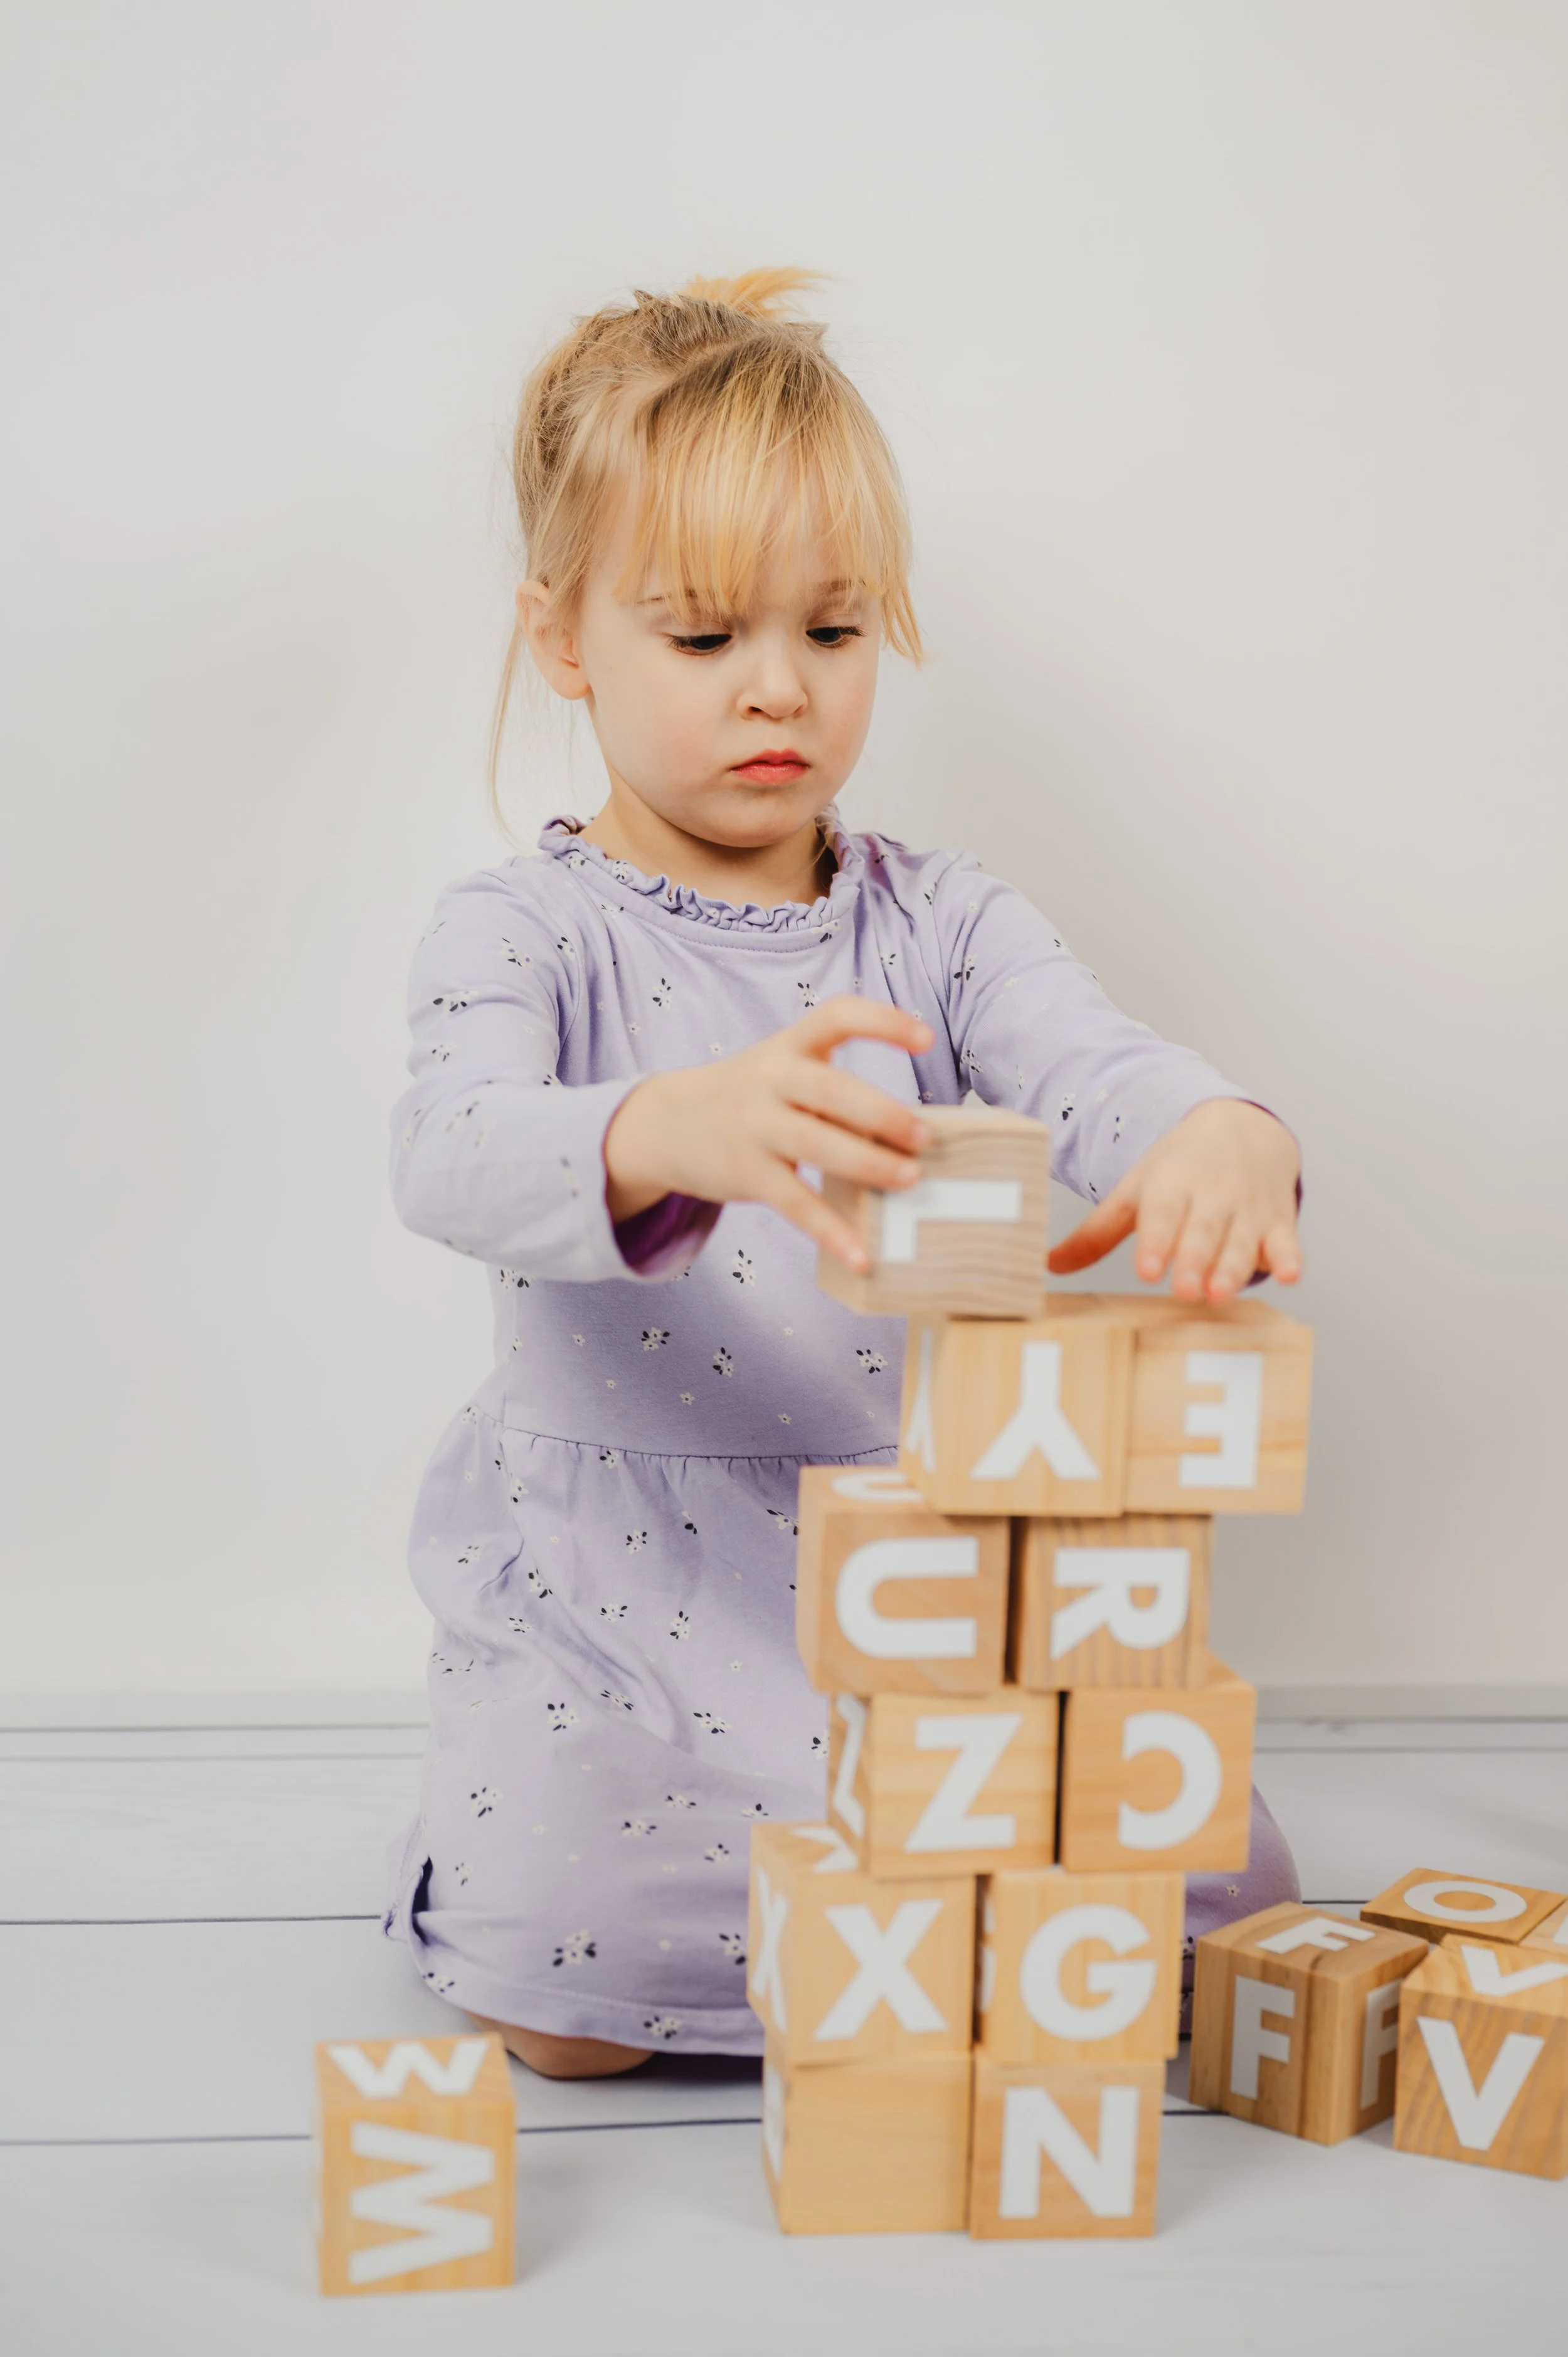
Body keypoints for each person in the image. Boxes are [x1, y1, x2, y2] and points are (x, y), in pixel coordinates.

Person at [384, 270, 1303, 2079]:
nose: (780, 691)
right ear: (563, 637)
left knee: (1212, 1911)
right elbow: (446, 1148)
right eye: (704, 634)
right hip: (625, 1591)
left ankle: (931, 1891)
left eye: (833, 627)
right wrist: (669, 1126)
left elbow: (1091, 1058)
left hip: (913, 1581)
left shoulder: (940, 921)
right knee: (558, 2003)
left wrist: (1217, 1130)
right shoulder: (519, 925)